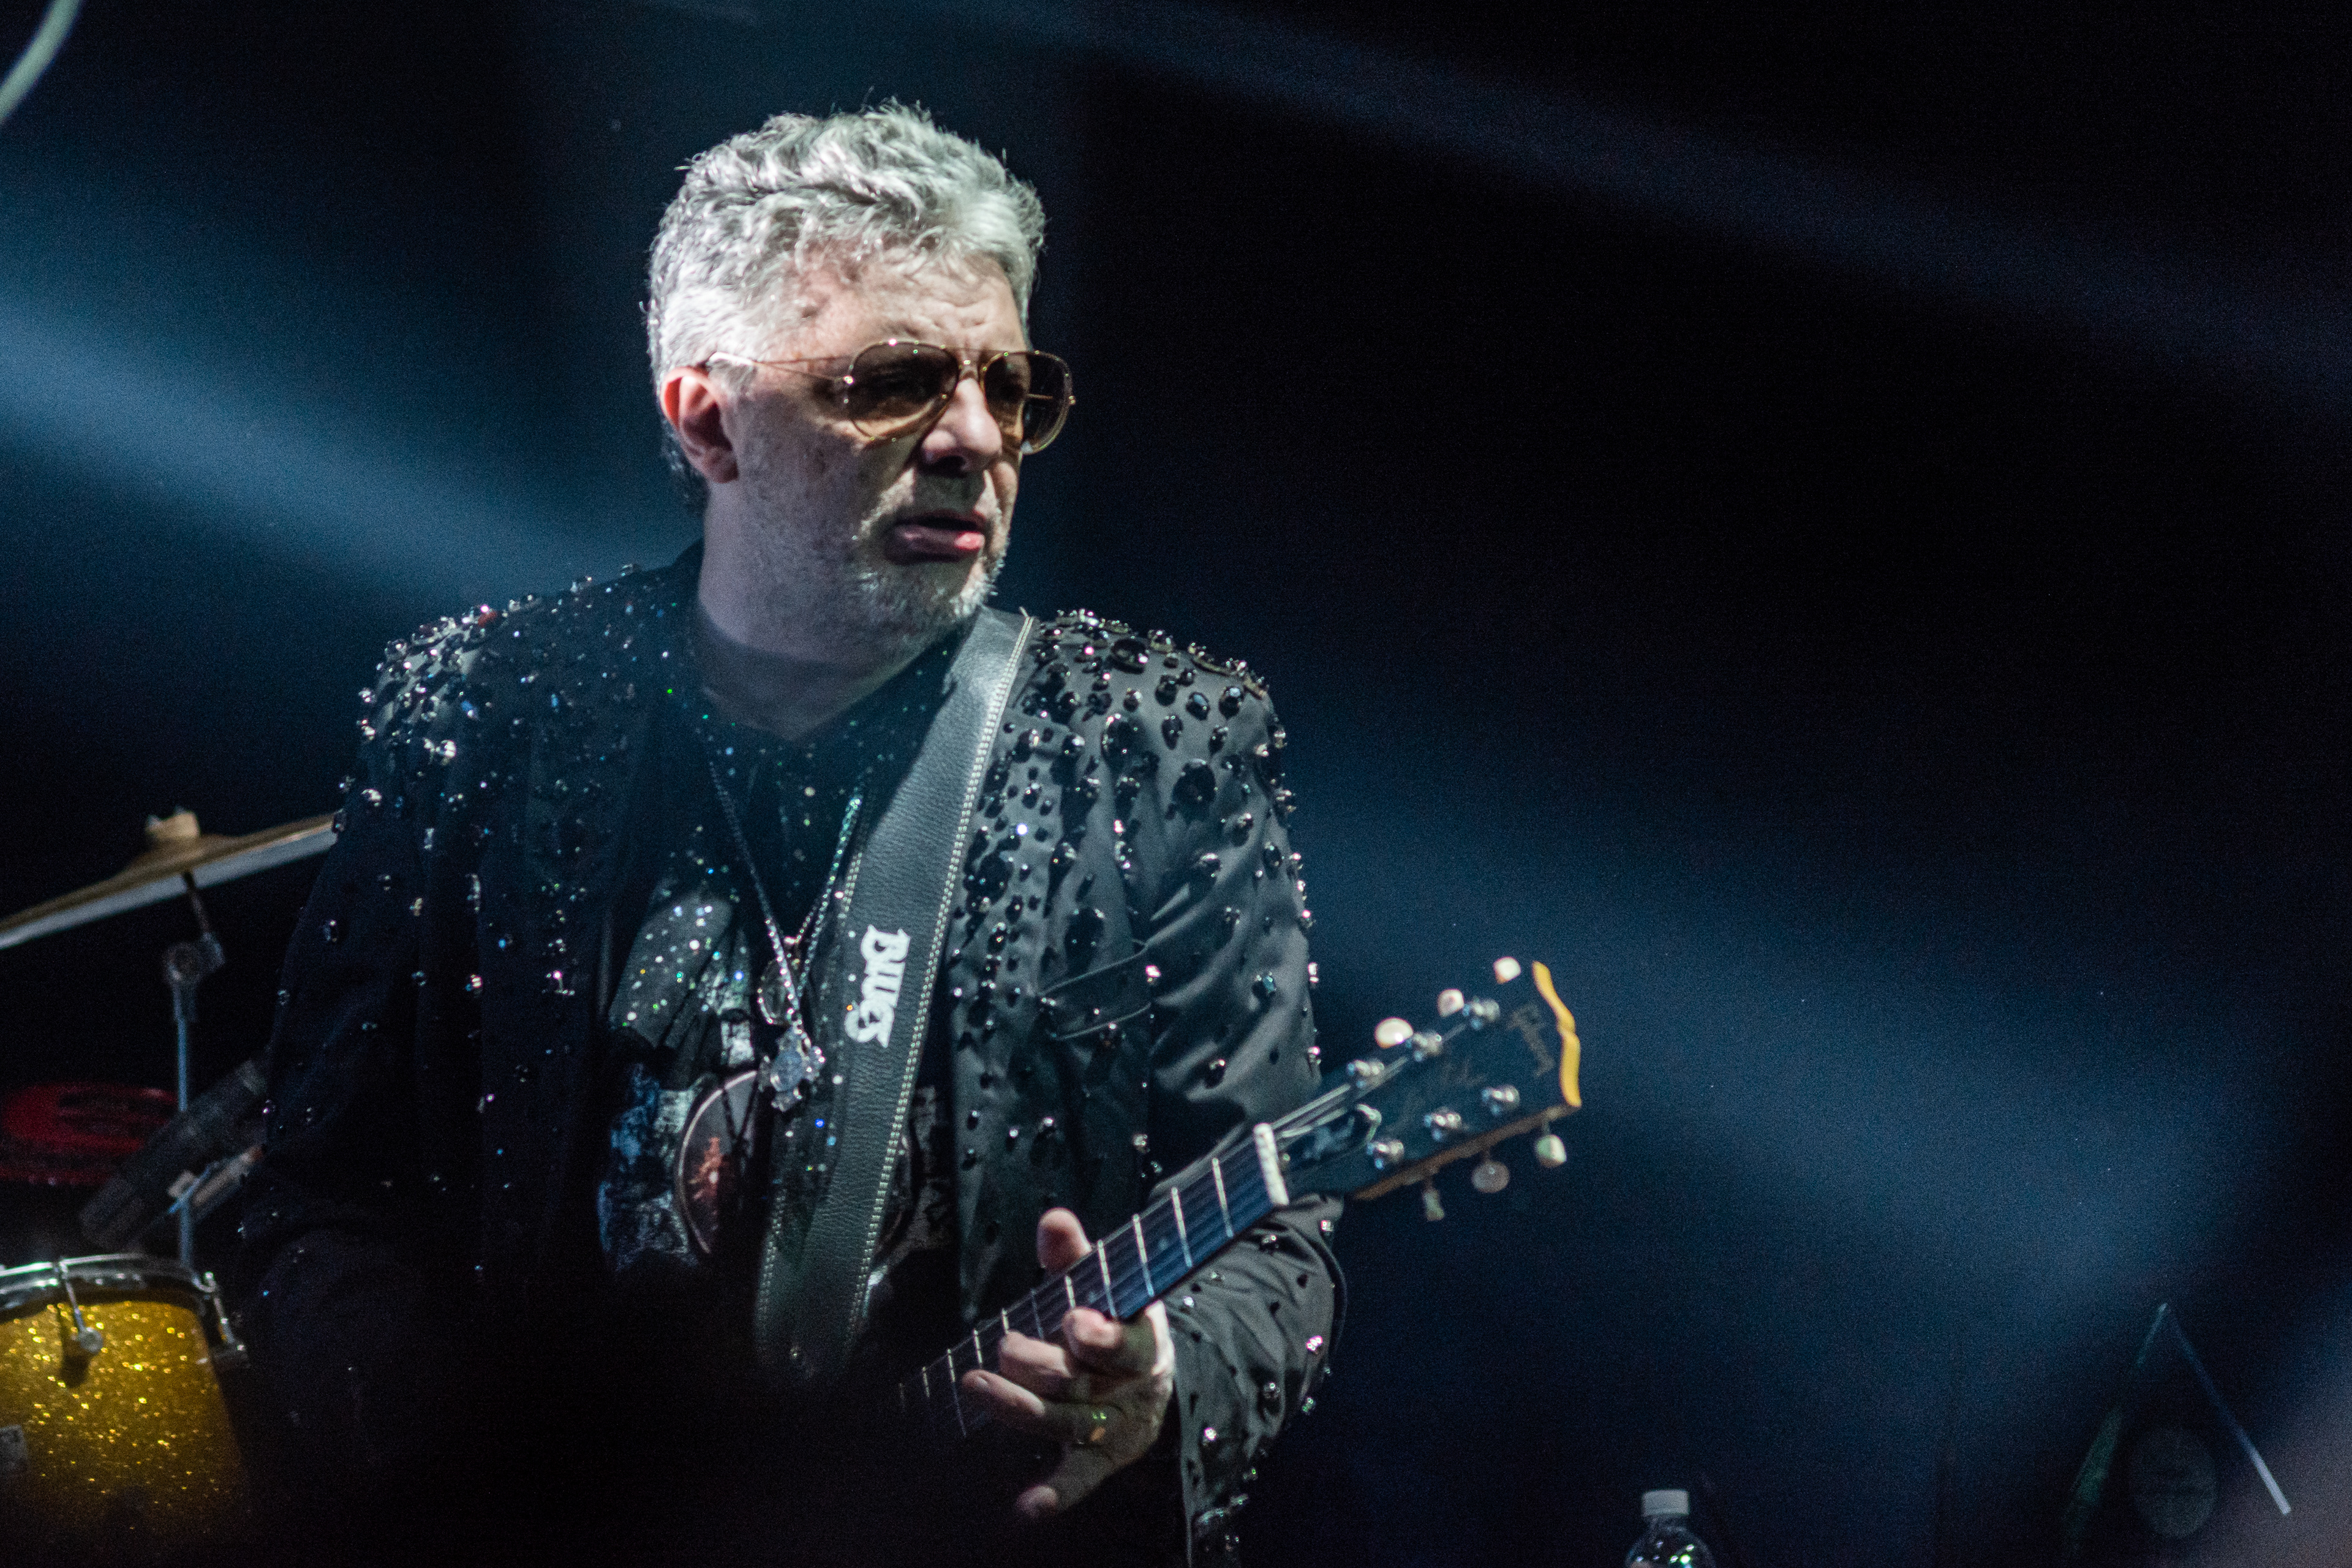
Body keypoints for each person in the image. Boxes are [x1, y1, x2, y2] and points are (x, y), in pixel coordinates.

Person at [235, 105, 1339, 1567]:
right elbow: (317, 1201)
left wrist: (1163, 1378)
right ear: (706, 418)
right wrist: (459, 1477)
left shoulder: (1160, 744)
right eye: (893, 381)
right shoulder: (485, 719)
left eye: (1010, 388)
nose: (971, 438)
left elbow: (1279, 1230)